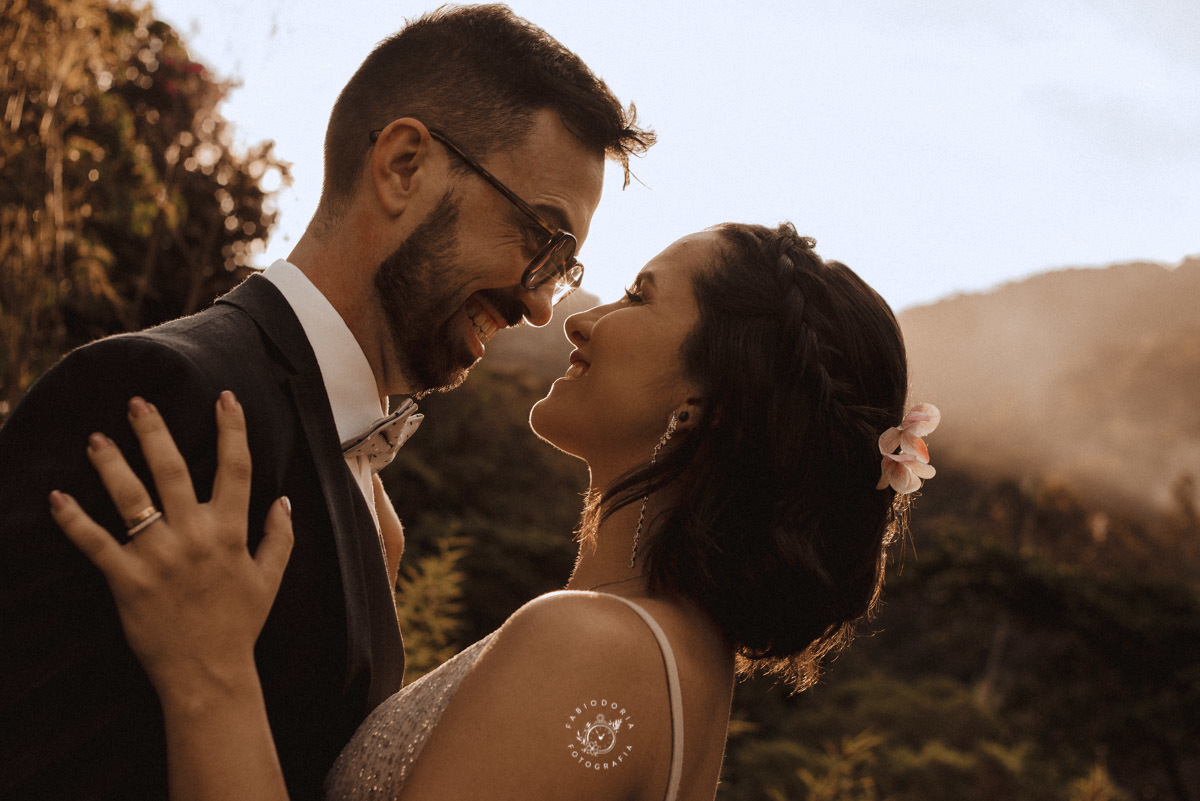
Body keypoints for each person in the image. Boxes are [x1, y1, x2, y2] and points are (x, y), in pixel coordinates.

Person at [0, 5, 652, 799]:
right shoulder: (165, 397)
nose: (543, 305)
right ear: (403, 166)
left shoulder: (368, 498)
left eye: (562, 268)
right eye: (540, 238)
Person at [49, 222, 941, 800]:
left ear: (702, 407)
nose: (580, 319)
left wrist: (208, 670)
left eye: (639, 295)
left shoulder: (595, 648)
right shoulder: (676, 656)